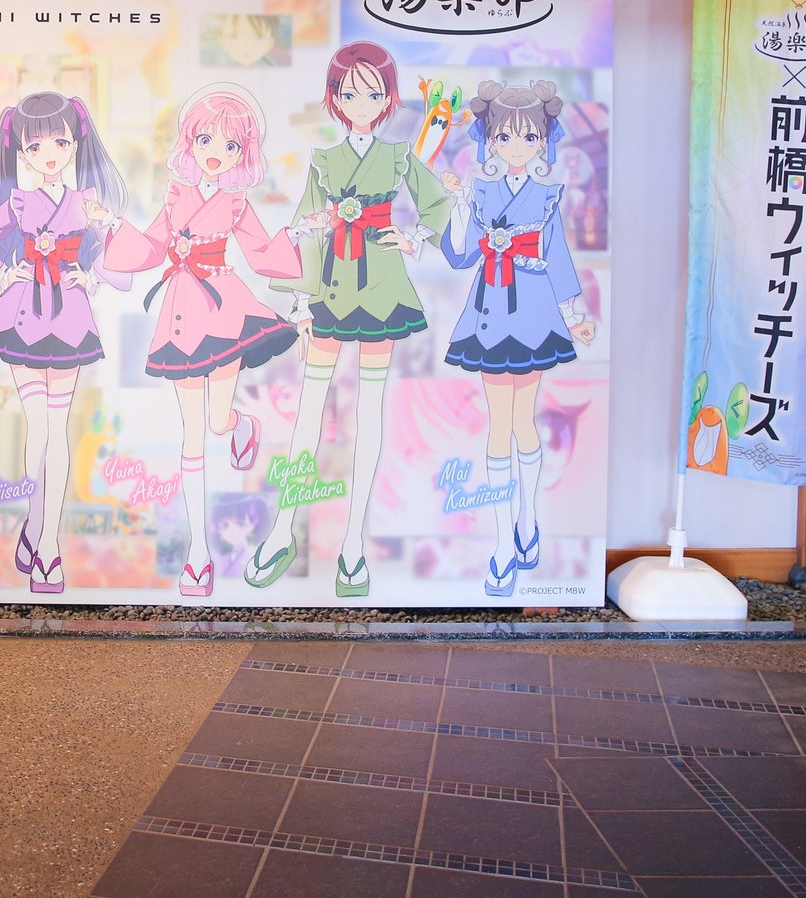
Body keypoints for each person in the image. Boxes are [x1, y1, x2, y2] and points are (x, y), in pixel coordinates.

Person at [249, 41, 452, 597]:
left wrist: (413, 236)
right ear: (335, 98)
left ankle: (353, 544)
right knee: (309, 411)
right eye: (349, 91)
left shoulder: (399, 157)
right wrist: (299, 301)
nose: (361, 102)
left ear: (387, 99)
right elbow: (304, 228)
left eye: (373, 92)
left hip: (382, 285)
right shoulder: (323, 161)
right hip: (330, 286)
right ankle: (282, 530)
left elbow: (437, 203)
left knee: (369, 411)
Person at [85, 84, 301, 597]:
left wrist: (296, 236)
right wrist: (111, 223)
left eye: (230, 145)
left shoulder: (236, 202)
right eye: (206, 139)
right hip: (182, 314)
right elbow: (150, 247)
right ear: (190, 141)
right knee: (193, 436)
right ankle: (198, 555)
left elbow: (261, 252)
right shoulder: (175, 194)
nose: (216, 153)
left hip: (224, 308)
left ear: (243, 153)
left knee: (217, 420)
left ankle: (240, 423)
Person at [0, 91, 131, 595]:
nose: (49, 154)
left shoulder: (86, 203)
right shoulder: (17, 201)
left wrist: (92, 278)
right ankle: (40, 530)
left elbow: (118, 257)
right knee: (39, 428)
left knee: (56, 428)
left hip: (70, 317)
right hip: (22, 315)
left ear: (75, 144)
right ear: (22, 152)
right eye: (36, 147)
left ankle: (45, 538)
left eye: (60, 142)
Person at [439, 79, 595, 596]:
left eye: (529, 137)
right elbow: (461, 254)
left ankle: (527, 517)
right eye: (504, 136)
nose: (516, 146)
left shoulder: (548, 194)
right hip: (489, 306)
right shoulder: (479, 190)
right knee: (499, 424)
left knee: (521, 422)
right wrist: (459, 205)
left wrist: (574, 314)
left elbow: (558, 257)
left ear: (543, 140)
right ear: (489, 139)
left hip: (531, 310)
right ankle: (505, 542)